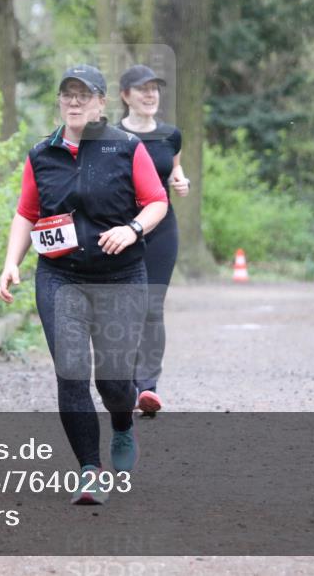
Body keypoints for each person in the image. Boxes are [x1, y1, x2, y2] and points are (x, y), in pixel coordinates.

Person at [0, 65, 168, 505]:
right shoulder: (42, 154)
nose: (74, 102)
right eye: (67, 94)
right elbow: (26, 213)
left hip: (121, 278)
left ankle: (123, 423)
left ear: (100, 104)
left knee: (113, 379)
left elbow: (157, 202)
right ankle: (89, 471)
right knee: (71, 373)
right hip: (60, 277)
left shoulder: (126, 147)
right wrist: (11, 262)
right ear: (60, 102)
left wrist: (132, 229)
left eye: (83, 95)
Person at [117, 65, 189, 418]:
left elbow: (173, 170)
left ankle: (148, 388)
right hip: (120, 231)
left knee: (151, 307)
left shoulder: (171, 135)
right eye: (142, 89)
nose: (150, 95)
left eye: (154, 89)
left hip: (161, 229)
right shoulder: (108, 136)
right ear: (125, 95)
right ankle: (126, 384)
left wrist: (181, 181)